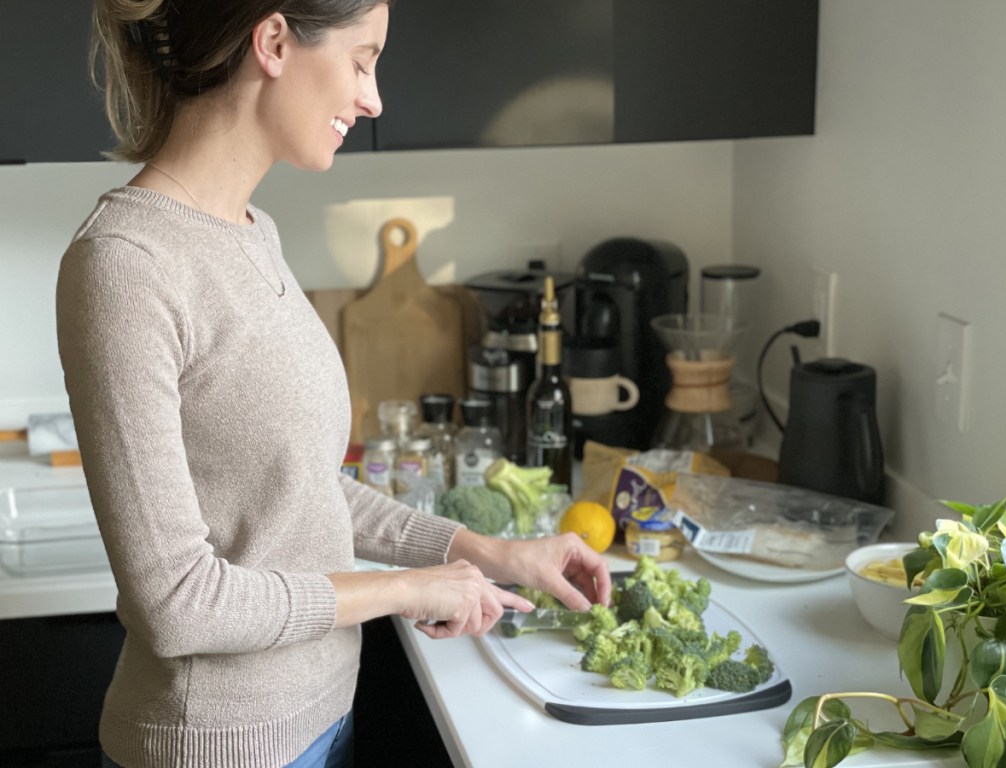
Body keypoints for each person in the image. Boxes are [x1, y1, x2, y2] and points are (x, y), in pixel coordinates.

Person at [56, 2, 613, 767]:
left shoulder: (253, 230)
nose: (373, 97)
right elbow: (178, 606)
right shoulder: (126, 264)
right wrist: (408, 589)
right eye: (362, 59)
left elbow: (304, 491)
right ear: (276, 42)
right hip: (214, 745)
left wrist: (488, 551)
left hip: (322, 719)